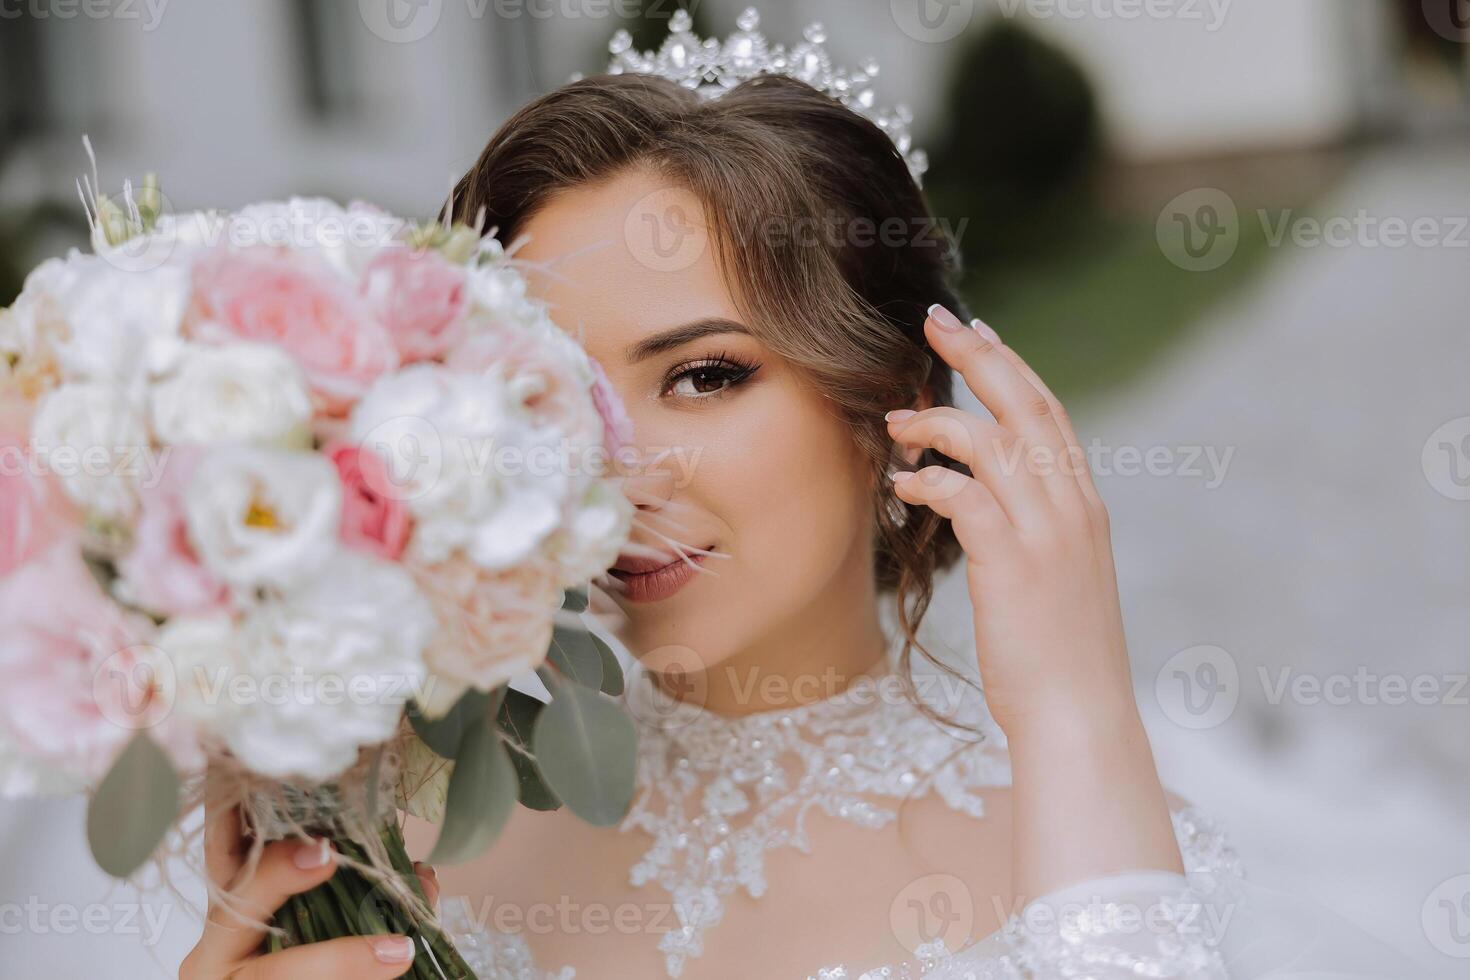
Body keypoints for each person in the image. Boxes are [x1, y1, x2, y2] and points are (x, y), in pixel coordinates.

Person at [181, 16, 1434, 980]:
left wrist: (1073, 702)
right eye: (553, 393)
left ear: (885, 393)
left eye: (705, 375)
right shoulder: (398, 837)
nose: (616, 469)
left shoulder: (1080, 833)